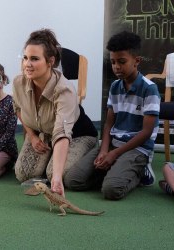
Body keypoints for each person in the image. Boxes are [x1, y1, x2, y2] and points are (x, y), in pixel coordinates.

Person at [64, 31, 160, 200]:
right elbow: (108, 124)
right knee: (72, 180)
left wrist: (114, 155)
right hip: (113, 145)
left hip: (137, 149)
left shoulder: (149, 89)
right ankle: (115, 171)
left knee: (111, 190)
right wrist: (104, 150)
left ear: (137, 61)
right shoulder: (115, 87)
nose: (116, 67)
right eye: (113, 62)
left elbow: (146, 133)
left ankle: (140, 172)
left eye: (122, 62)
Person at [12, 28, 98, 196]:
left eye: (35, 59)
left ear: (50, 61)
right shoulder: (18, 82)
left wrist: (56, 179)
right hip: (44, 133)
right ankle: (50, 158)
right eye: (26, 58)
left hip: (77, 134)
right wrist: (32, 136)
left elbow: (62, 133)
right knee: (24, 174)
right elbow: (18, 109)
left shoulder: (64, 90)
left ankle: (90, 151)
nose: (27, 64)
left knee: (55, 174)